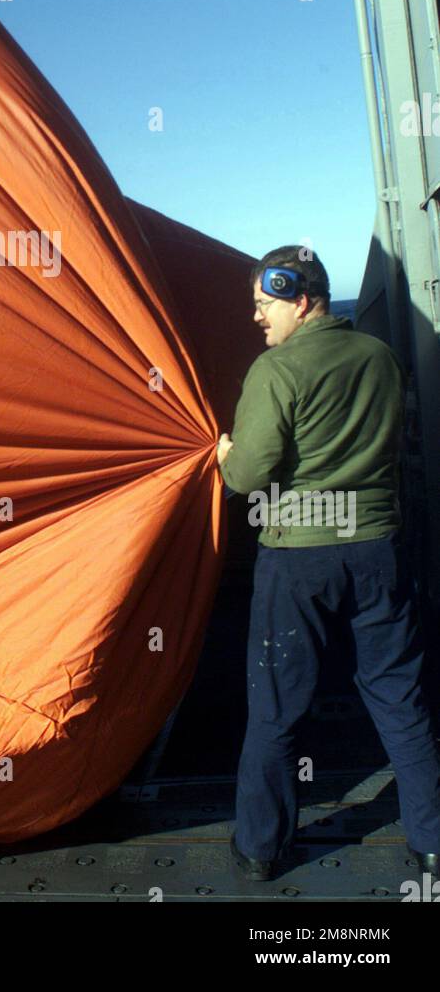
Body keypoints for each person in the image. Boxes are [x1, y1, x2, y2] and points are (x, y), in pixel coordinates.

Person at [216, 244, 440, 881]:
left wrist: (229, 453)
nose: (259, 318)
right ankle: (431, 842)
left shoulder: (274, 371)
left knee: (278, 707)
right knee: (400, 695)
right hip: (378, 549)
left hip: (299, 561)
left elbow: (248, 476)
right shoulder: (382, 357)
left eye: (265, 305)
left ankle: (261, 850)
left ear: (300, 299)